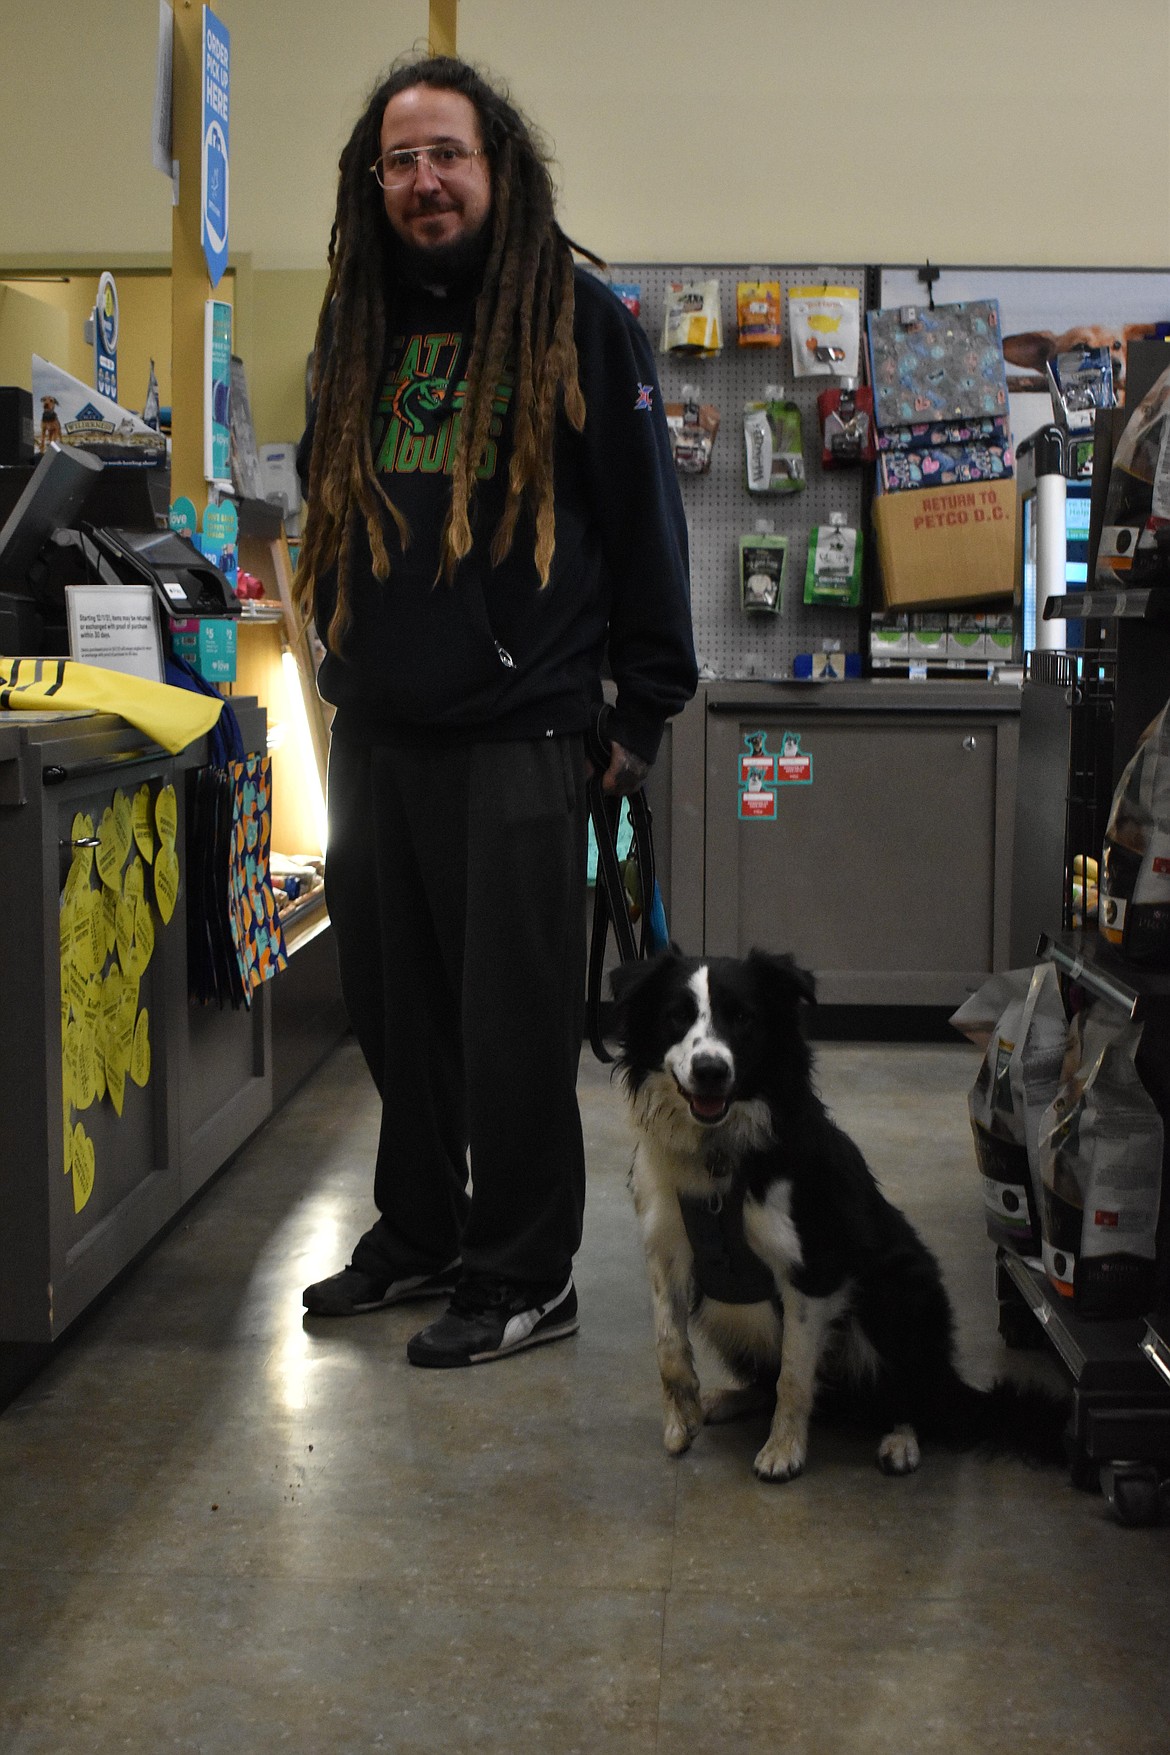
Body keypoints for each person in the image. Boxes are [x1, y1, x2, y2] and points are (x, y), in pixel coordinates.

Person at [295, 53, 697, 1368]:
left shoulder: (577, 323)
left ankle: (528, 1273)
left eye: (446, 155)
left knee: (514, 1030)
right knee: (394, 1010)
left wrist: (637, 717)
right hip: (380, 736)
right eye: (399, 160)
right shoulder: (357, 330)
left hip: (524, 739)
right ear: (376, 182)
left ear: (496, 166)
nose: (424, 181)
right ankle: (420, 1234)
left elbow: (645, 528)